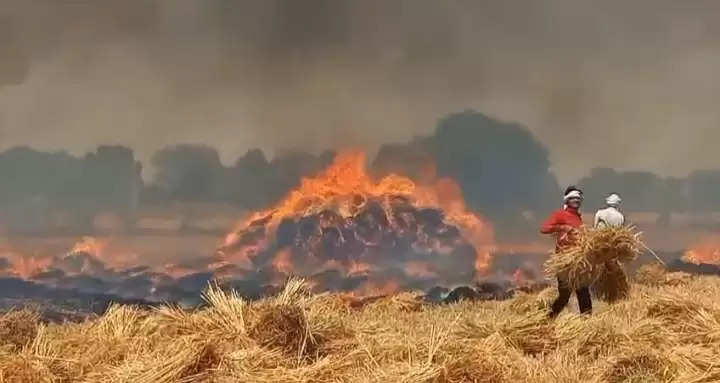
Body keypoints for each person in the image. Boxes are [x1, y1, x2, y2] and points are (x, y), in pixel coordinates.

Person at [540, 186, 591, 318]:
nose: (576, 201)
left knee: (583, 291)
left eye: (578, 199)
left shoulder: (578, 218)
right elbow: (544, 228)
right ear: (567, 200)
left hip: (578, 261)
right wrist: (563, 227)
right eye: (573, 198)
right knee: (564, 295)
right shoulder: (560, 214)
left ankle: (588, 321)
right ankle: (549, 318)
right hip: (564, 261)